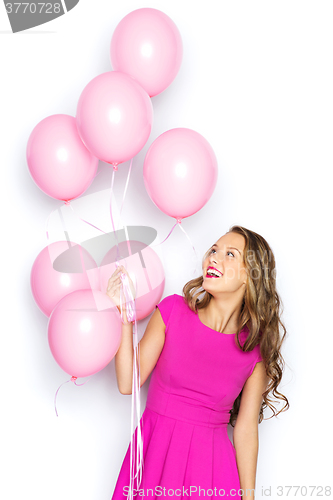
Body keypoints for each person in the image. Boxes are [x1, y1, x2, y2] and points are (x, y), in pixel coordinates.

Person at [107, 225, 289, 500]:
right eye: (213, 250)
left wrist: (249, 498)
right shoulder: (172, 311)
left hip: (213, 474)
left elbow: (246, 429)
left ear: (249, 277)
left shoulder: (254, 349)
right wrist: (122, 314)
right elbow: (126, 382)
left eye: (230, 254)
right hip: (156, 458)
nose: (214, 257)